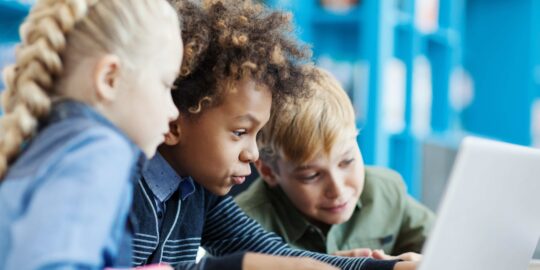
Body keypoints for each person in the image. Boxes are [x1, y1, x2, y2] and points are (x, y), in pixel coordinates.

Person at [129, 1, 417, 269]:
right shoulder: (121, 187)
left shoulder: (199, 193)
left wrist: (389, 267)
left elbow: (280, 257)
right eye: (240, 132)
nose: (252, 153)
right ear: (173, 126)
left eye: (256, 134)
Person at [0, 0, 182, 269]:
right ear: (110, 78)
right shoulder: (100, 150)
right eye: (167, 85)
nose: (173, 111)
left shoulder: (48, 146)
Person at [235, 66, 434, 258]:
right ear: (268, 171)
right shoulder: (241, 228)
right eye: (311, 176)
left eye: (347, 162)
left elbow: (450, 249)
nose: (338, 190)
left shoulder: (387, 192)